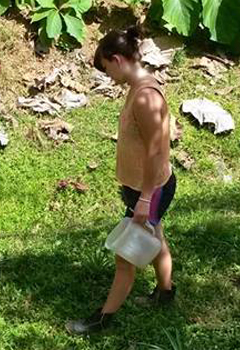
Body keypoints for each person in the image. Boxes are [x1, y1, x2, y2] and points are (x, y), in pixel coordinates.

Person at [66, 27, 177, 335]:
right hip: (141, 188)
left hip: (150, 189)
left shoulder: (145, 97)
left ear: (116, 60)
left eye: (106, 69)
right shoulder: (137, 88)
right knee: (156, 237)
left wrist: (144, 199)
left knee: (124, 257)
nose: (108, 76)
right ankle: (166, 292)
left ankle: (103, 319)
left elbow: (157, 151)